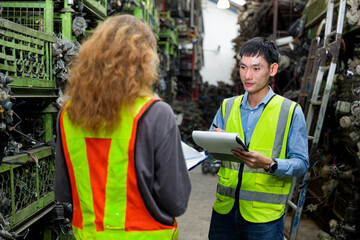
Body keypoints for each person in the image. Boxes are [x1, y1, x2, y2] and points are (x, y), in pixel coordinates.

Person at [54, 15, 191, 240]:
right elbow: (176, 201)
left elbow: (64, 192)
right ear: (145, 61)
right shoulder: (156, 114)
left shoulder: (67, 115)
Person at [208, 37, 309, 240]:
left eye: (256, 68)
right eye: (243, 67)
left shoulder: (290, 111)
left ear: (272, 69)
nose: (247, 75)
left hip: (264, 217)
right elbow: (209, 154)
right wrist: (212, 144)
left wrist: (270, 164)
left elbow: (301, 163)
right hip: (224, 210)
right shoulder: (227, 106)